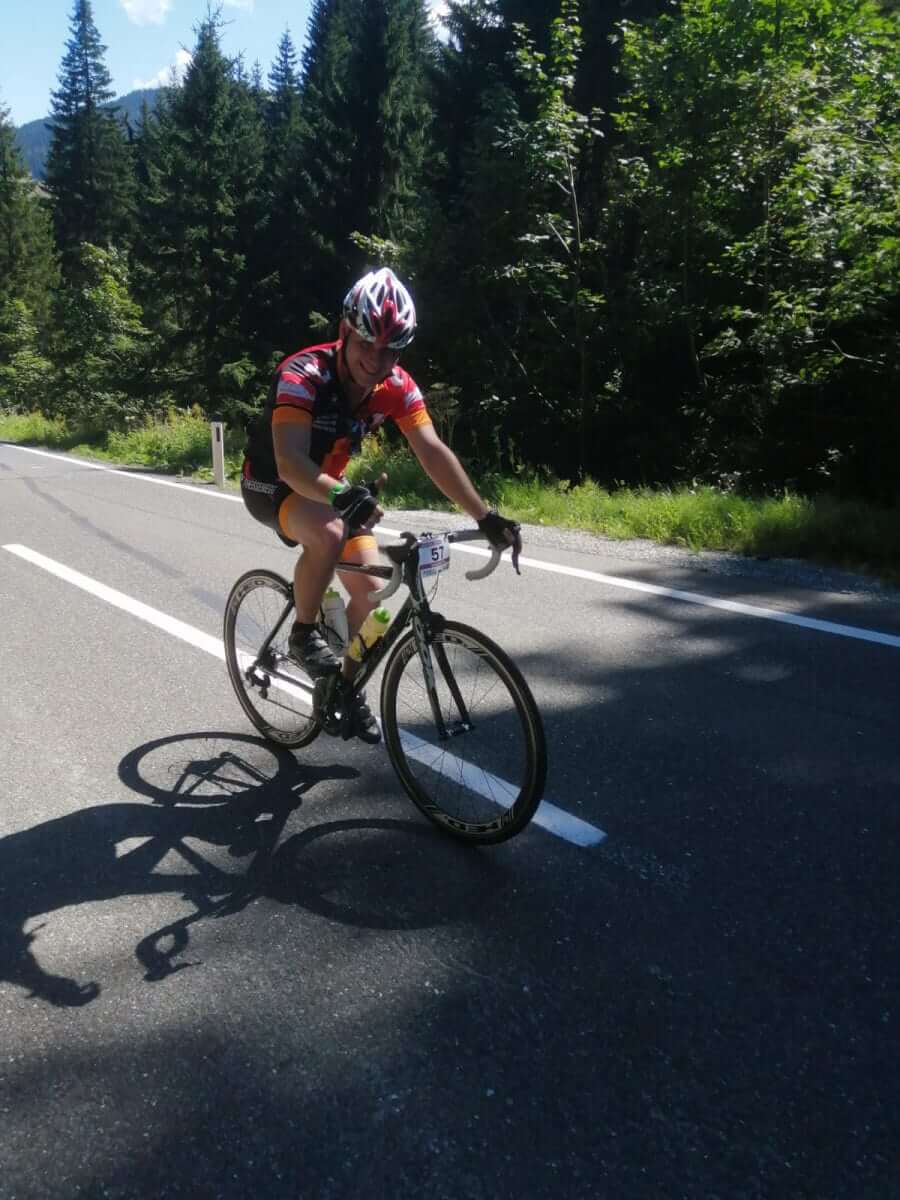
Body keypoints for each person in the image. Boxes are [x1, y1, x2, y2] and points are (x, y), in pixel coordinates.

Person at [240, 267, 522, 743]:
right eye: (368, 344)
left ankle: (342, 688)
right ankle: (303, 633)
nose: (377, 359)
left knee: (373, 596)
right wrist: (340, 495)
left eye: (391, 349)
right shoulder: (303, 374)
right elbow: (289, 463)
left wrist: (485, 516)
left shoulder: (396, 386)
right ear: (345, 331)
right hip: (273, 483)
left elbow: (432, 451)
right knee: (329, 532)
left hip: (333, 490)